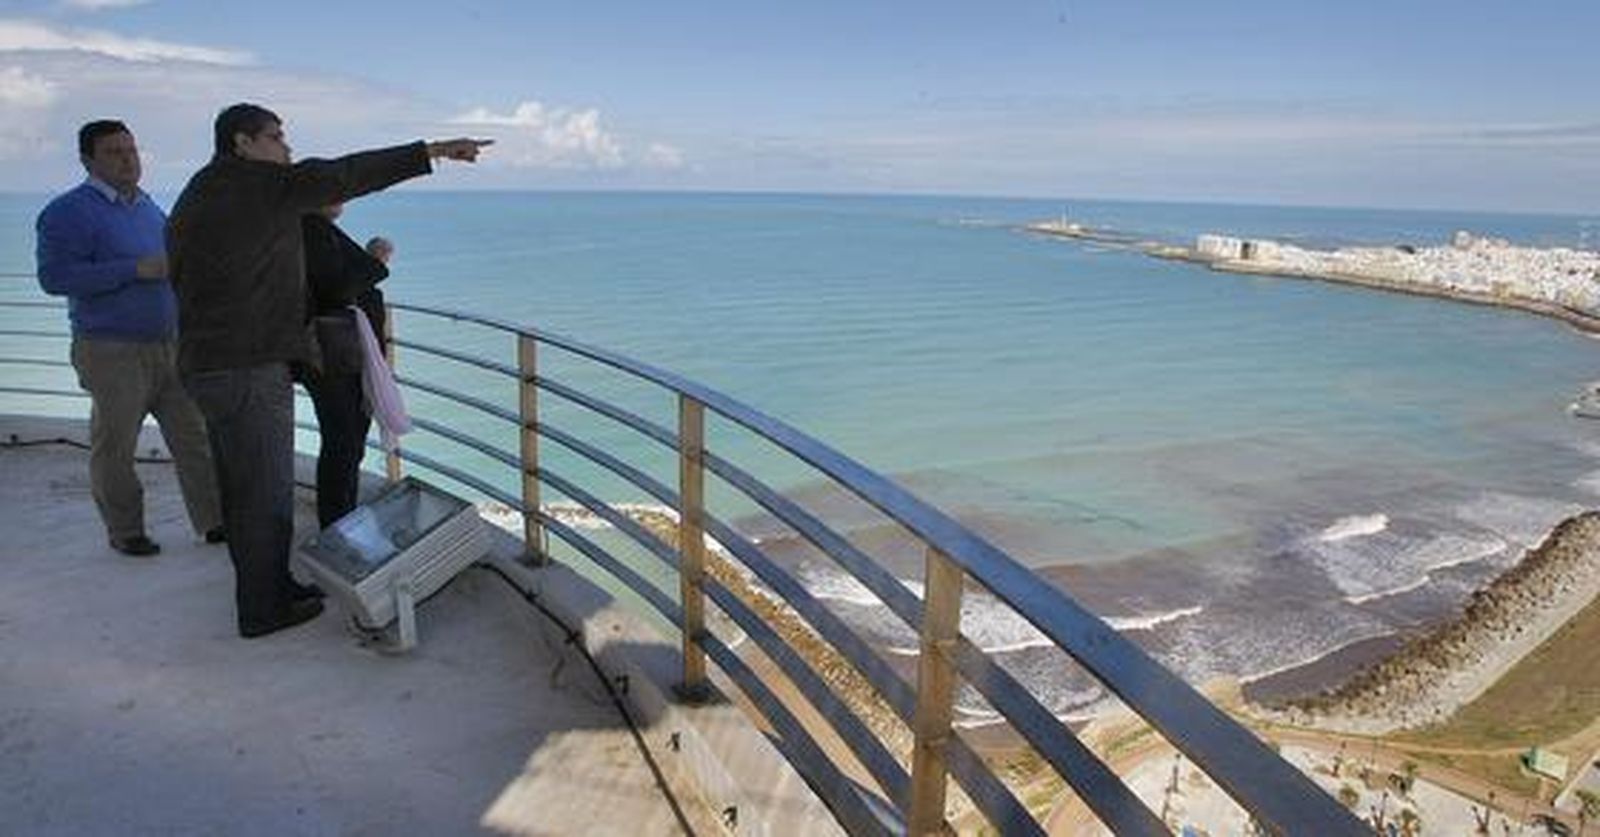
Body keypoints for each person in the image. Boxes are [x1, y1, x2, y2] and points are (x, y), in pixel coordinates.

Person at [168, 102, 490, 638]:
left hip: (209, 361)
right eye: (276, 138)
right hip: (246, 364)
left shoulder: (204, 190)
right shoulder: (256, 186)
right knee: (263, 493)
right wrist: (431, 151)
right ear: (241, 144)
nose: (286, 150)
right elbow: (342, 173)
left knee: (243, 484)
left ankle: (268, 586)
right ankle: (264, 608)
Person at [35, 119, 224, 557]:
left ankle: (213, 522)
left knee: (194, 437)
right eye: (114, 152)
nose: (128, 159)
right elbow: (54, 277)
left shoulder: (147, 206)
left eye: (132, 150)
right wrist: (133, 270)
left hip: (169, 343)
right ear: (88, 160)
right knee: (116, 446)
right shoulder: (67, 211)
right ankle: (126, 531)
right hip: (110, 349)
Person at [301, 204, 389, 529]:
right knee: (344, 440)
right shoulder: (310, 228)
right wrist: (375, 262)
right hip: (330, 355)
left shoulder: (315, 228)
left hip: (335, 353)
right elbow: (336, 289)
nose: (343, 195)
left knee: (348, 439)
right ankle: (338, 523)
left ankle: (342, 517)